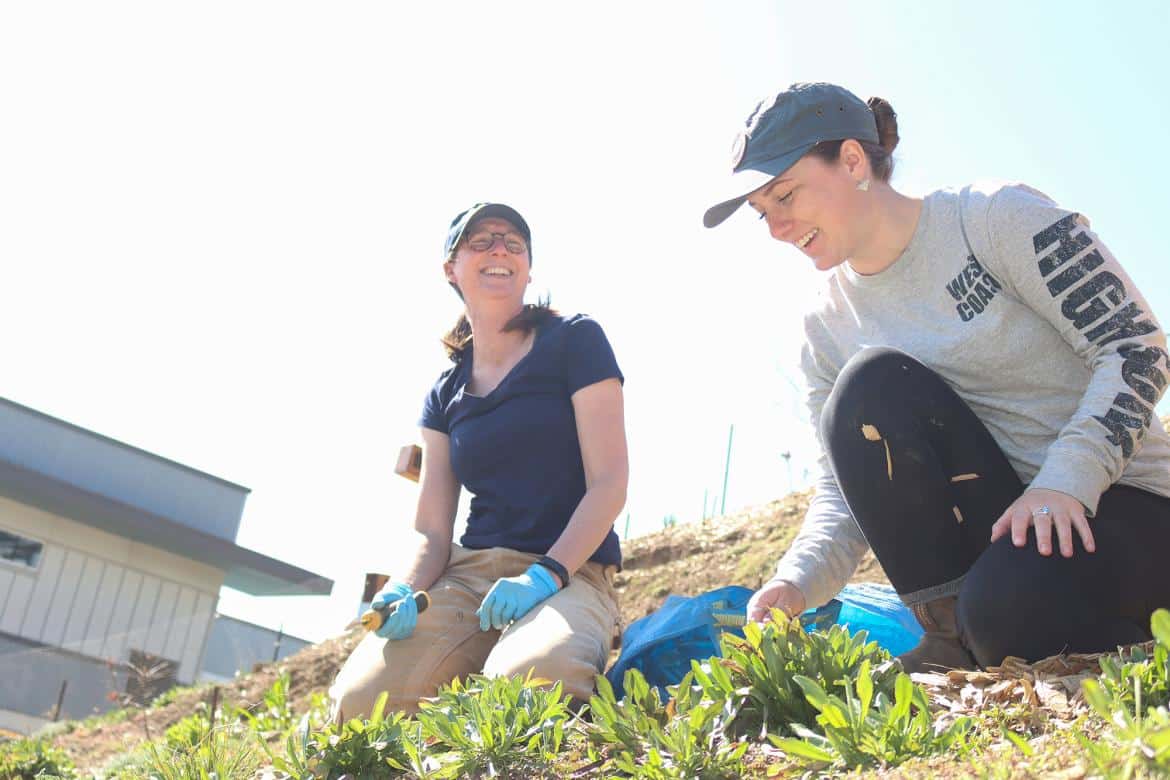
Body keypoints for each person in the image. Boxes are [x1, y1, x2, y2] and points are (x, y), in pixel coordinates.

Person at [703, 82, 1170, 671]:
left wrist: (1064, 482)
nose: (776, 227)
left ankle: (1055, 635)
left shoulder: (995, 217)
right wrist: (795, 581)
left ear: (852, 161)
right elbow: (844, 488)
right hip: (1008, 538)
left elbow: (1136, 347)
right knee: (867, 387)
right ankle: (955, 636)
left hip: (1120, 503)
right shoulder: (825, 326)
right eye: (763, 212)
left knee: (1007, 612)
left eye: (786, 195)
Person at [329, 203, 628, 718]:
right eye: (482, 240)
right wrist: (405, 589)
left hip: (570, 572)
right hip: (469, 578)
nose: (500, 250)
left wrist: (546, 575)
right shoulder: (444, 393)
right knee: (359, 705)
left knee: (531, 685)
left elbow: (610, 483)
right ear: (451, 268)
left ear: (528, 269)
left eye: (514, 243)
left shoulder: (576, 341)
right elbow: (431, 531)